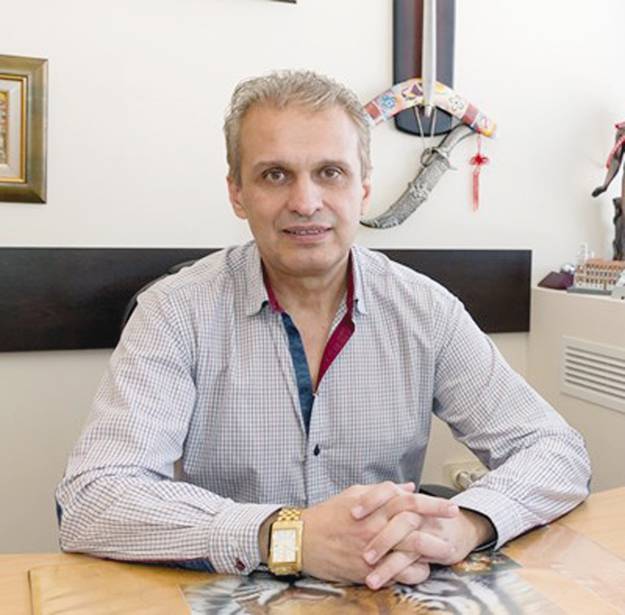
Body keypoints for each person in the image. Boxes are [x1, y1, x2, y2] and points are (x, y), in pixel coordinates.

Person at [56, 70, 591, 590]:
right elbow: (93, 497)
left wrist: (468, 523)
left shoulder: (426, 310)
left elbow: (555, 450)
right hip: (232, 593)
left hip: (382, 593)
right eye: (275, 175)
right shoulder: (174, 312)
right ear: (237, 193)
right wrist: (288, 536)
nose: (305, 203)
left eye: (330, 173)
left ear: (363, 189)